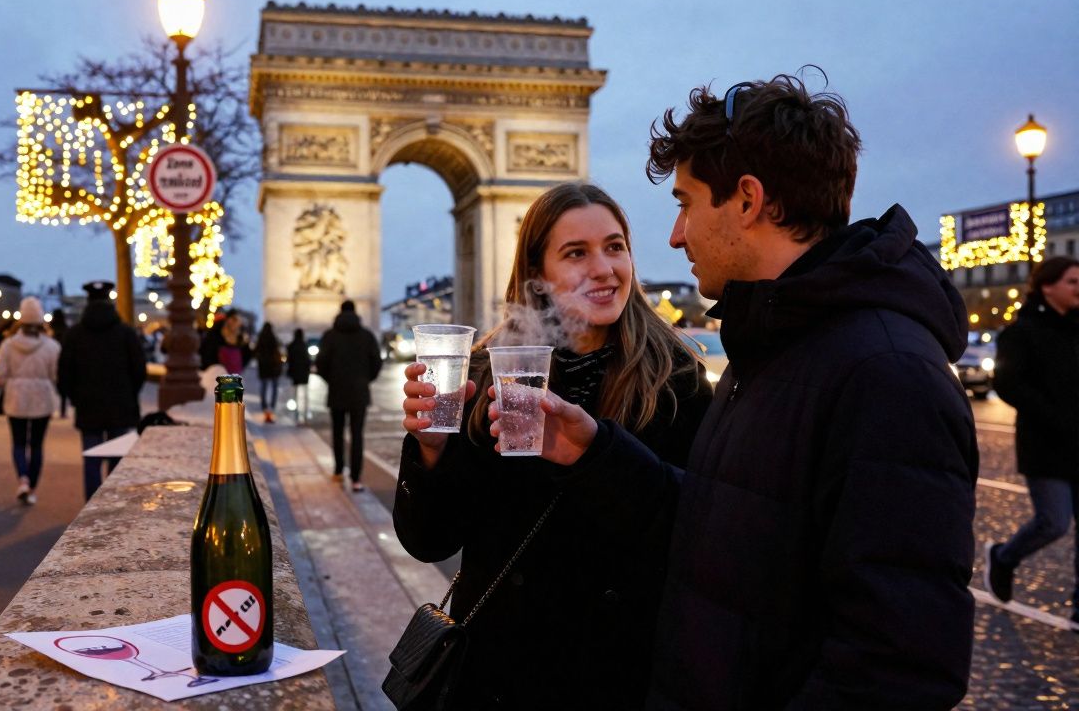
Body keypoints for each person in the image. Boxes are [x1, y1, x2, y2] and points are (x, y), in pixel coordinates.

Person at [513, 73, 979, 708]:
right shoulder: (772, 347)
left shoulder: (890, 377)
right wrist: (598, 454)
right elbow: (727, 524)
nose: (676, 235)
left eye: (685, 202)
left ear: (748, 200)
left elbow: (896, 668)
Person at [395, 183, 712, 707]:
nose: (605, 268)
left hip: (616, 675)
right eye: (575, 253)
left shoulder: (676, 380)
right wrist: (430, 451)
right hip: (497, 677)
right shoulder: (484, 371)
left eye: (615, 246)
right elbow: (431, 542)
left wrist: (597, 458)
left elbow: (699, 527)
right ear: (537, 275)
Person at [986, 256, 1079, 631]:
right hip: (1046, 444)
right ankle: (1005, 557)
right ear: (1047, 286)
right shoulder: (1022, 332)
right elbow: (1007, 383)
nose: (1078, 289)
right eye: (1073, 282)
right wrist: (1052, 414)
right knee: (1054, 521)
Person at [58, 281, 146, 500]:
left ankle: (91, 509)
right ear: (110, 301)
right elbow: (139, 370)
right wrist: (129, 394)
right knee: (116, 461)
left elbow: (64, 372)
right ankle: (112, 505)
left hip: (88, 407)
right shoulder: (126, 333)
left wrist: (75, 398)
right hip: (121, 406)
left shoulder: (75, 334)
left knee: (92, 460)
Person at [0, 296, 60, 506]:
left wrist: (10, 383)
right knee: (37, 445)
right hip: (42, 397)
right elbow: (56, 374)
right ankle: (31, 487)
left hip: (16, 398)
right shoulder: (51, 346)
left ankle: (22, 478)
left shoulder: (9, 345)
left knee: (19, 443)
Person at [317, 301, 383, 492]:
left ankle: (338, 471)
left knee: (337, 433)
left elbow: (321, 363)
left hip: (336, 391)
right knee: (357, 435)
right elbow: (377, 362)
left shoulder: (329, 336)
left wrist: (331, 379)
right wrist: (365, 379)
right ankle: (356, 478)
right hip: (359, 393)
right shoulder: (367, 336)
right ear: (355, 312)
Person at [199, 309, 251, 375]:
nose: (237, 324)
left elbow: (245, 358)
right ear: (227, 319)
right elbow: (205, 357)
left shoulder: (240, 339)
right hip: (213, 377)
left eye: (239, 321)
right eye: (234, 319)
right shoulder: (215, 335)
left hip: (233, 380)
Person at [254, 322, 283, 423]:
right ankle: (272, 406)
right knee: (274, 388)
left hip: (263, 368)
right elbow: (277, 352)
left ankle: (264, 407)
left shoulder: (260, 339)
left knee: (264, 388)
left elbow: (256, 352)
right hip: (273, 368)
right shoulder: (273, 339)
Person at [286, 328, 312, 425]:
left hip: (294, 373)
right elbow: (307, 360)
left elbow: (289, 360)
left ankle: (296, 417)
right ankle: (305, 417)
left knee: (295, 395)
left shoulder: (291, 346)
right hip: (304, 373)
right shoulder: (304, 345)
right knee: (305, 395)